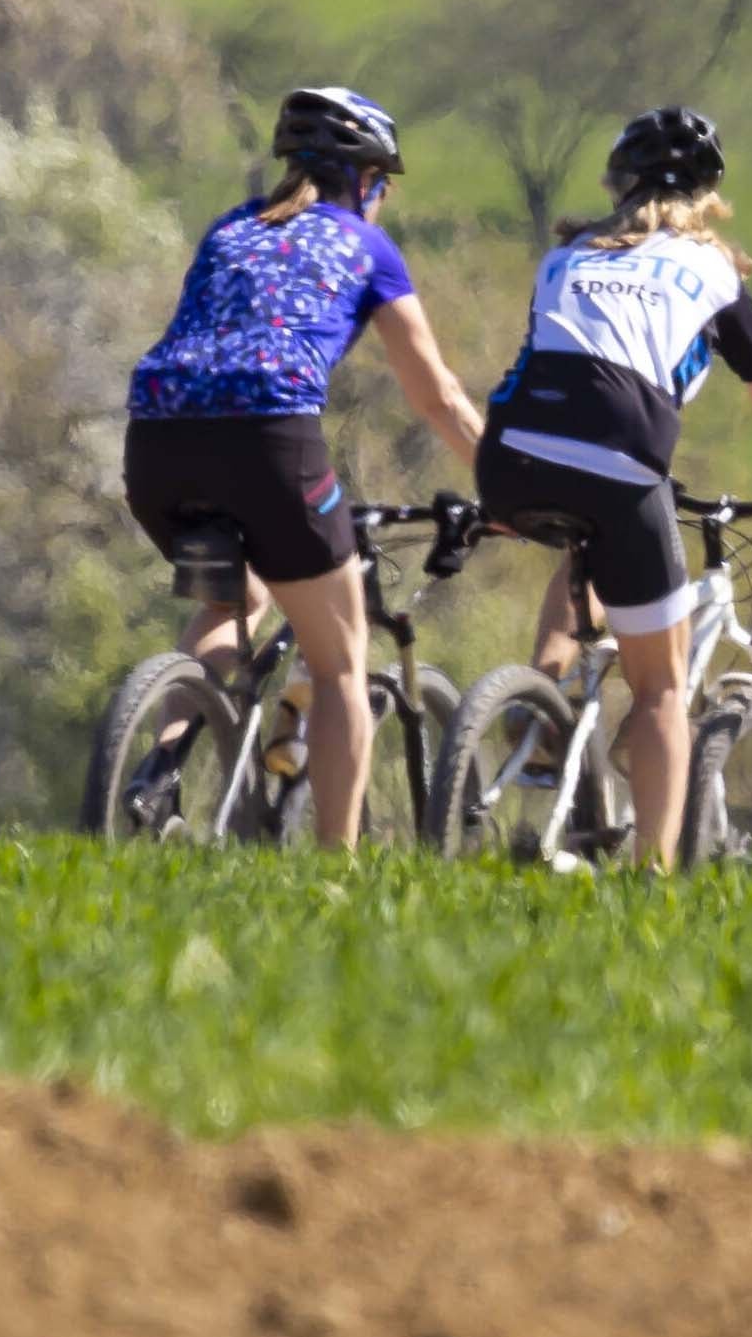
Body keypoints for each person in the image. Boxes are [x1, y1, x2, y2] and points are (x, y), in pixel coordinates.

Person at [474, 103, 752, 871]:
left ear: (617, 186)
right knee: (663, 689)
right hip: (621, 460)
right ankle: (652, 873)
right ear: (707, 196)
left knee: (583, 556)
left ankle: (537, 708)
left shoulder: (565, 257)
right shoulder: (712, 271)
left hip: (509, 454)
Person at [124, 84, 489, 845]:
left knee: (235, 597)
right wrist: (508, 486)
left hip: (155, 447)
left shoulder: (231, 228)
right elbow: (439, 398)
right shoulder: (367, 246)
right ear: (365, 181)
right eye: (382, 185)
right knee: (339, 664)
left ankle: (156, 775)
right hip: (267, 443)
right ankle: (336, 865)